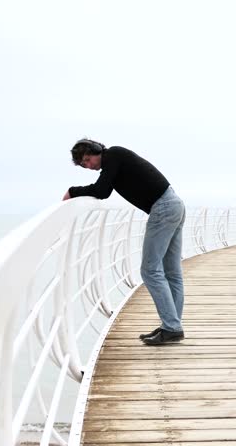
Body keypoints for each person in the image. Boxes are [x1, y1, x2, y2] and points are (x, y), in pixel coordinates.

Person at [63, 139, 186, 345]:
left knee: (150, 270)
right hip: (174, 204)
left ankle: (171, 326)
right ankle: (172, 325)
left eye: (88, 159)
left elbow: (101, 191)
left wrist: (72, 191)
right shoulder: (114, 160)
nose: (89, 165)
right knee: (171, 272)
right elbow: (105, 189)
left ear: (96, 150)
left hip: (164, 208)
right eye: (84, 165)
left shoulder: (113, 155)